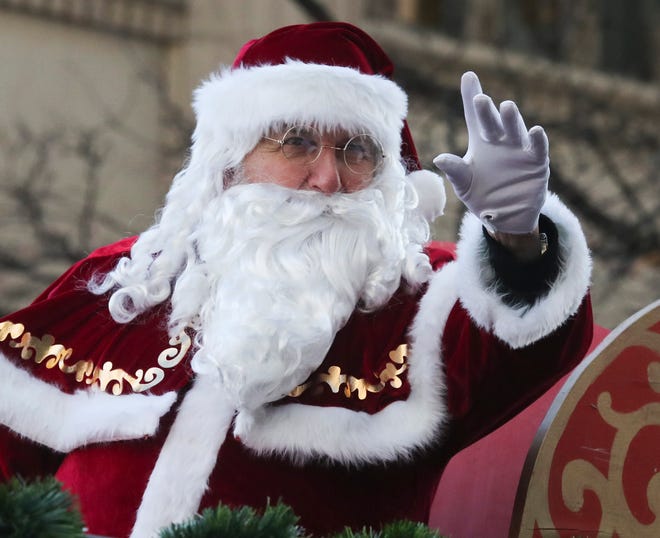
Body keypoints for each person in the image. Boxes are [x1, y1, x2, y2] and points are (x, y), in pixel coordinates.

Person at [0, 22, 593, 538]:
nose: (328, 179)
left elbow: (530, 344)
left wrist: (518, 240)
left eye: (356, 150)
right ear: (230, 160)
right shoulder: (124, 284)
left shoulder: (424, 301)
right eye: (298, 142)